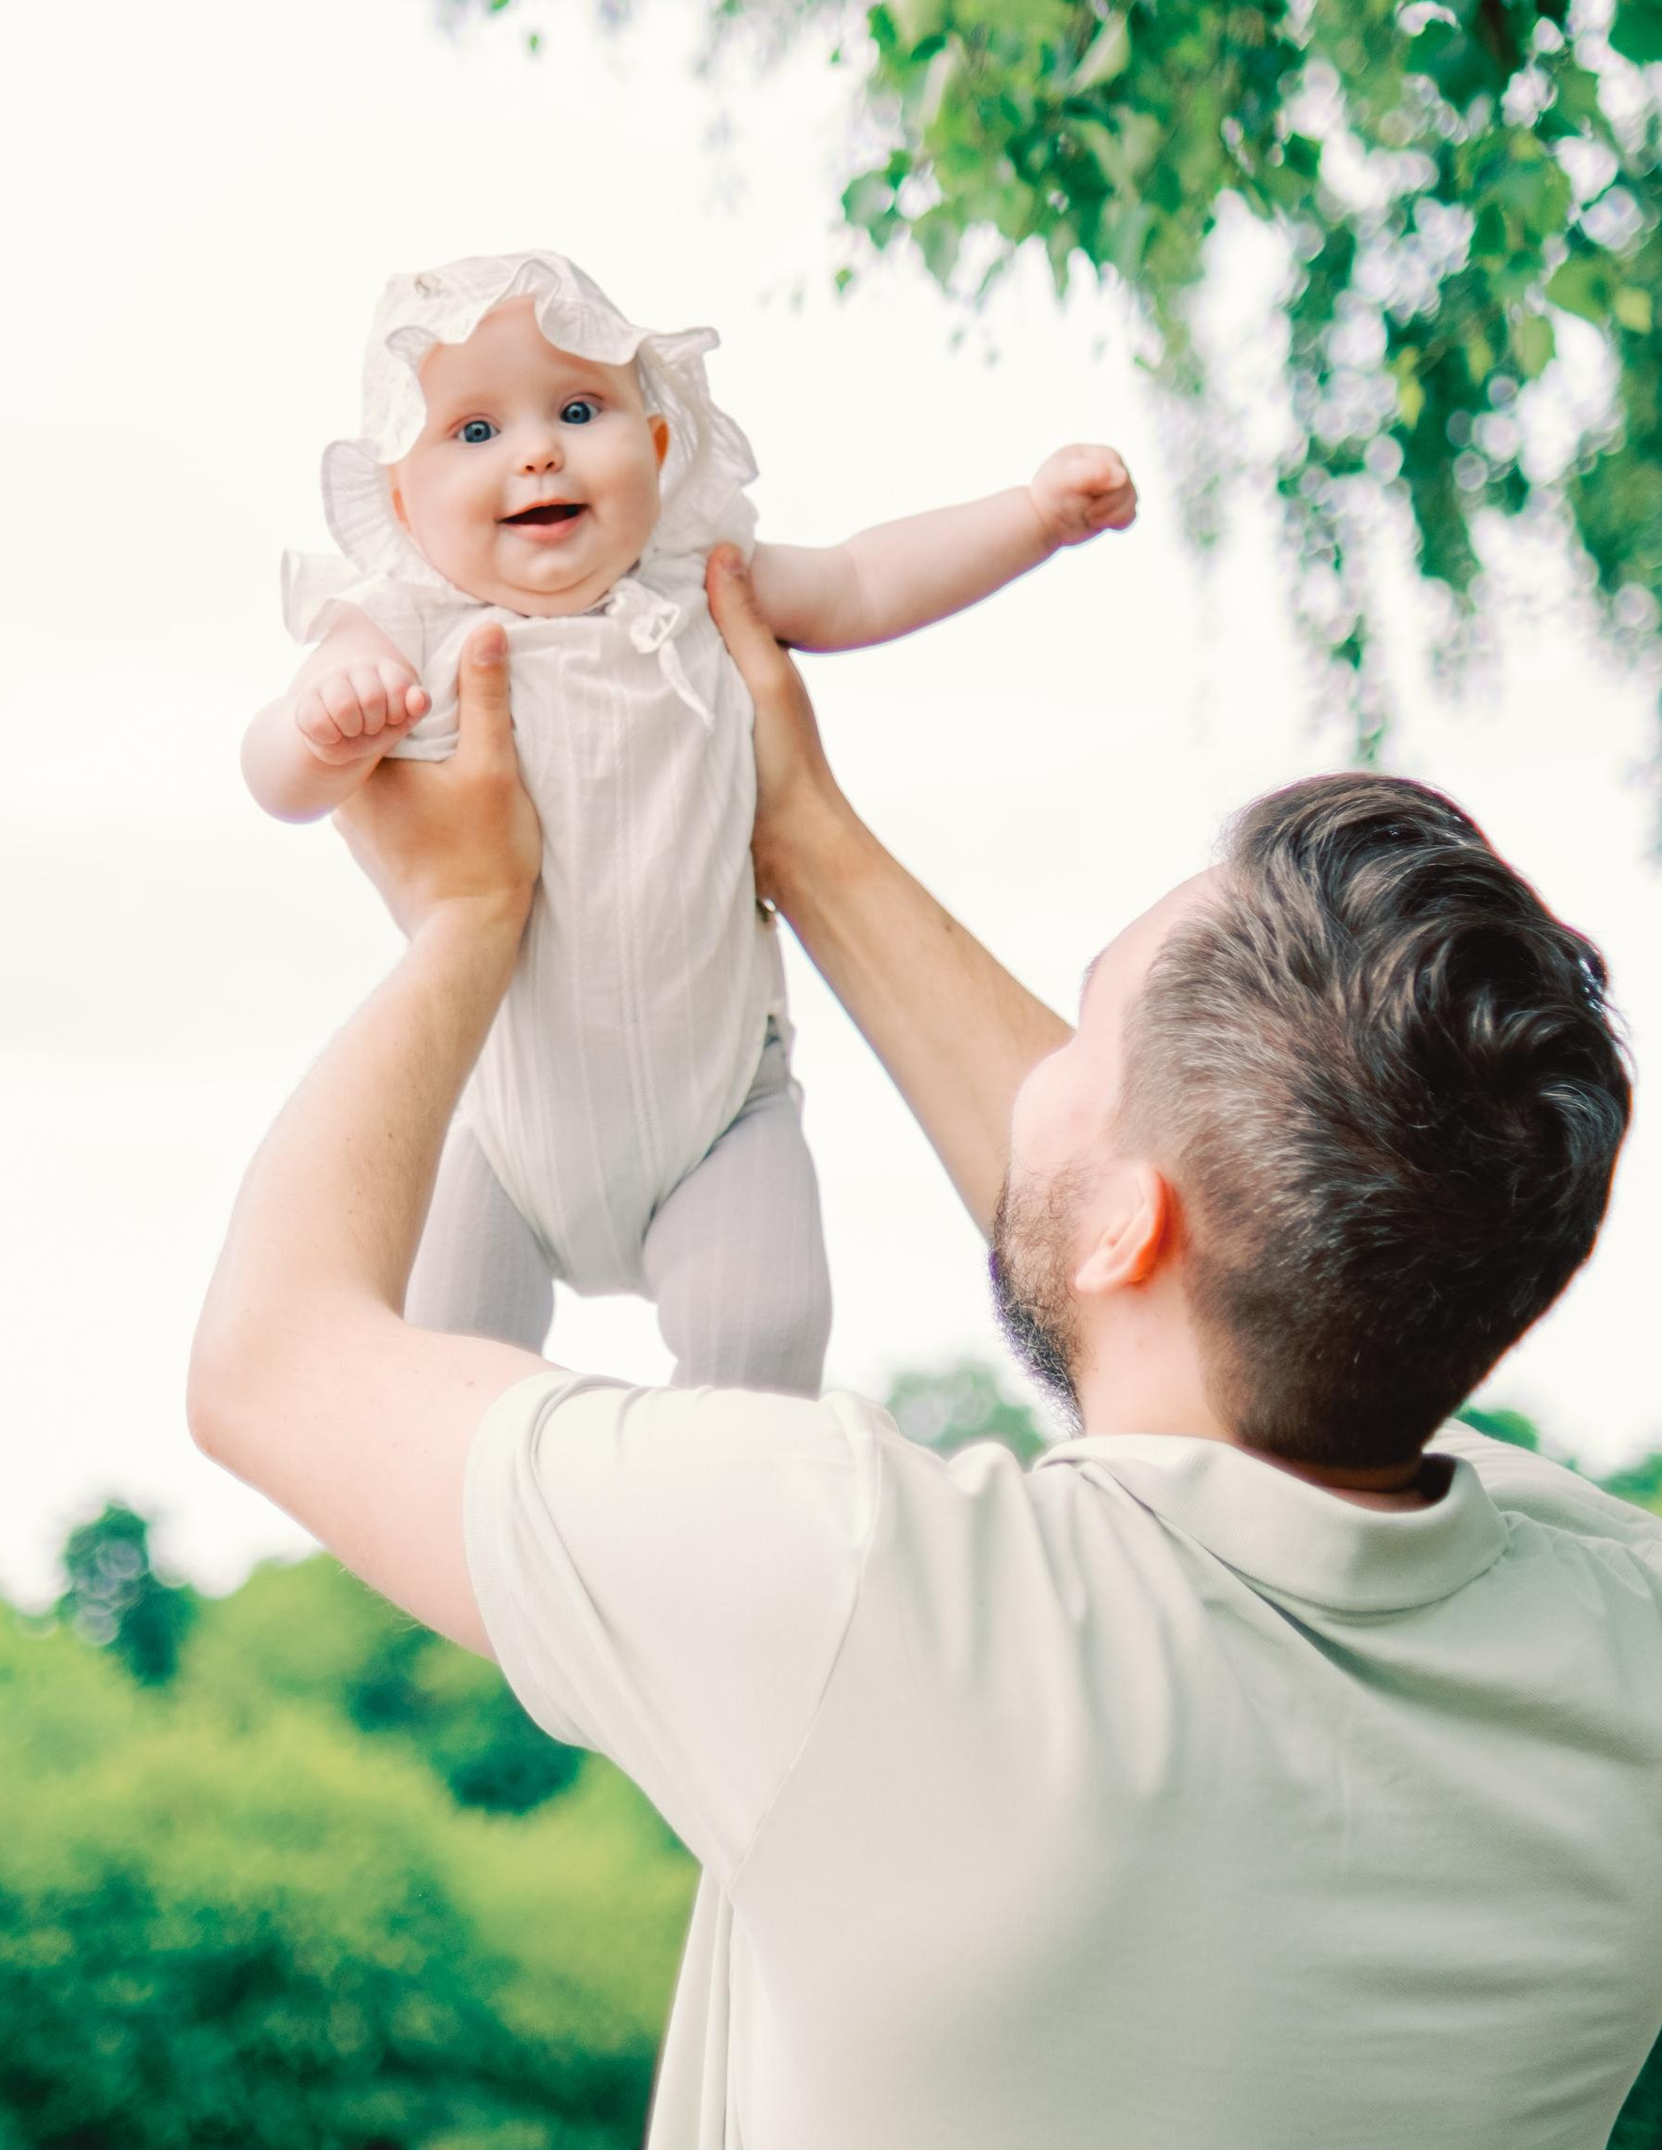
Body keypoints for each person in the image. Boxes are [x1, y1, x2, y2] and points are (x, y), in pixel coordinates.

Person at [189, 552, 1662, 2150]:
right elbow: (1227, 1270)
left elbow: (271, 1359)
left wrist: (467, 923)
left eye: (1078, 1033)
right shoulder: (1626, 1644)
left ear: (1130, 1203)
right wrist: (796, 833)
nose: (1031, 1069)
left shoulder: (867, 1604)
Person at [243, 247, 1134, 1387]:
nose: (536, 450)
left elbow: (864, 580)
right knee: (443, 1371)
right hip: (502, 1129)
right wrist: (325, 725)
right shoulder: (401, 624)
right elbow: (276, 777)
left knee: (764, 1334)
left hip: (718, 1113)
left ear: (658, 449)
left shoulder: (699, 583)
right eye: (473, 432)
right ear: (403, 504)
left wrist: (1032, 516)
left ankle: (721, 1541)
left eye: (579, 408)